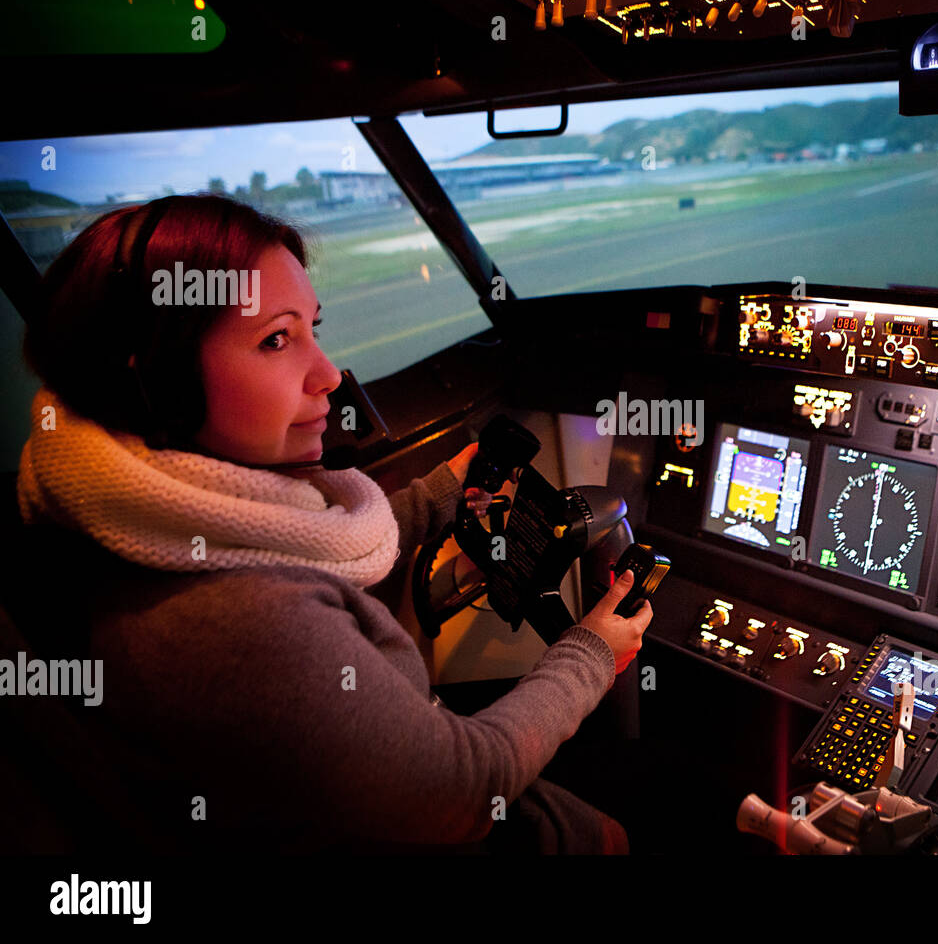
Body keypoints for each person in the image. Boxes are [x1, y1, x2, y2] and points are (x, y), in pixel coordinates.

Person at [12, 194, 653, 853]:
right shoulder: (242, 623)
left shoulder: (110, 507)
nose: (328, 375)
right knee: (609, 835)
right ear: (161, 387)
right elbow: (465, 793)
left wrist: (443, 491)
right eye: (276, 339)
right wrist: (592, 653)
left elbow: (304, 558)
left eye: (313, 328)